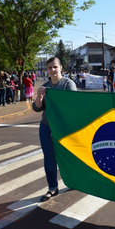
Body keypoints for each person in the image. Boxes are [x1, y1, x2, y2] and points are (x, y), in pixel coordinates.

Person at [32, 57, 77, 202]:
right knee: (49, 158)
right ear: (47, 70)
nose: (52, 70)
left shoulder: (68, 84)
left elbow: (71, 108)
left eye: (55, 67)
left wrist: (58, 128)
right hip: (45, 127)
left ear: (61, 68)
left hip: (63, 128)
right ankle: (52, 187)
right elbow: (36, 108)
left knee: (68, 157)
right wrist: (39, 96)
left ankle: (74, 181)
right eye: (50, 67)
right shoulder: (45, 87)